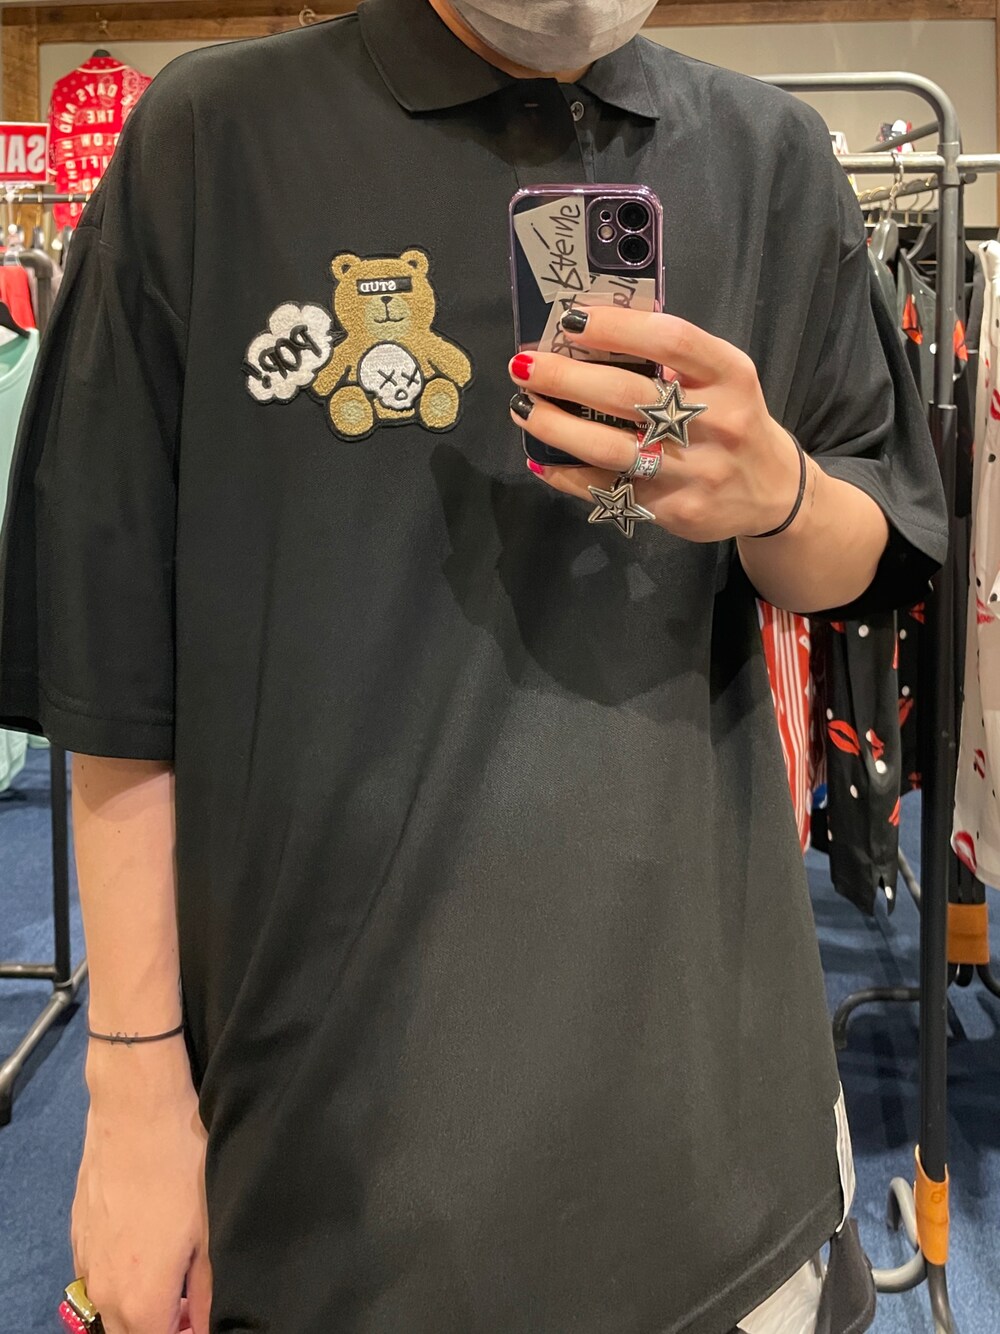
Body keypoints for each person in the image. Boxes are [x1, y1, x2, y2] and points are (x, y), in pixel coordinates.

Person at [0, 0, 948, 1331]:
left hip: (718, 1148)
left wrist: (777, 491)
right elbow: (112, 671)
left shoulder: (768, 159)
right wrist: (131, 1083)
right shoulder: (209, 144)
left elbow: (879, 550)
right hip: (323, 1160)